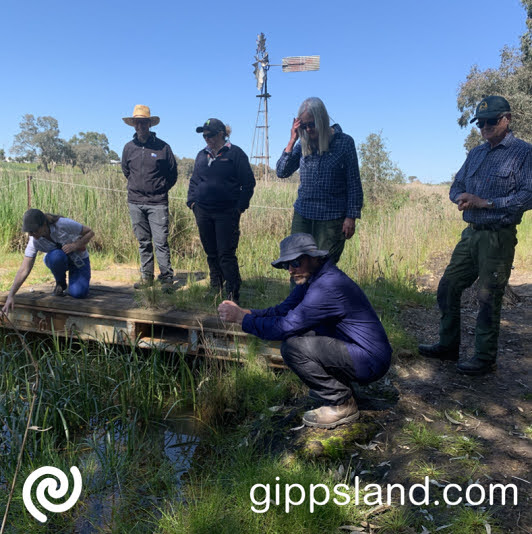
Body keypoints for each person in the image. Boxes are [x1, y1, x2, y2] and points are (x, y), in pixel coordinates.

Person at [218, 233, 392, 429]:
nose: (291, 270)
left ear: (314, 257)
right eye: (286, 265)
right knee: (302, 336)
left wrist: (242, 319)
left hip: (370, 360)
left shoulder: (327, 286)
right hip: (357, 351)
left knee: (293, 346)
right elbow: (283, 310)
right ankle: (341, 391)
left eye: (295, 262)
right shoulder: (314, 278)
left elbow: (284, 327)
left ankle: (342, 404)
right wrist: (246, 312)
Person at [419, 96, 532, 376]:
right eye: (480, 122)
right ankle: (447, 346)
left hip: (498, 236)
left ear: (506, 119)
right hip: (470, 235)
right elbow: (456, 186)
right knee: (448, 287)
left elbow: (528, 195)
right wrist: (462, 198)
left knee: (487, 297)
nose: (484, 126)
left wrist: (486, 202)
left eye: (490, 121)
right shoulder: (475, 154)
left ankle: (484, 358)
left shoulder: (524, 153)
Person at [276, 97, 363, 264]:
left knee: (323, 268)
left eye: (311, 124)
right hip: (303, 215)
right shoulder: (302, 144)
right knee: (298, 264)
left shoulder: (344, 143)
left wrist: (351, 217)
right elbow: (282, 171)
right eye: (304, 126)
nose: (308, 129)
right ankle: (298, 292)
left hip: (332, 218)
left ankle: (319, 292)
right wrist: (292, 139)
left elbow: (353, 182)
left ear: (322, 120)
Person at [187, 118, 255, 303]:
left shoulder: (235, 154)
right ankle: (215, 287)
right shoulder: (202, 155)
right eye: (204, 135)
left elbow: (248, 183)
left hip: (227, 213)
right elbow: (194, 181)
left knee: (226, 253)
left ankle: (232, 292)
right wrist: (192, 203)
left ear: (221, 134)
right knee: (211, 252)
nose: (206, 138)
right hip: (203, 211)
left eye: (209, 135)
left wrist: (240, 207)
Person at [121, 105, 178, 291]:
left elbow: (172, 174)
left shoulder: (163, 147)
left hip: (158, 203)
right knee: (143, 242)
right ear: (133, 125)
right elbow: (126, 171)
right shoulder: (129, 148)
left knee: (161, 241)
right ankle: (147, 278)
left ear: (149, 124)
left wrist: (159, 189)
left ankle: (167, 278)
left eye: (143, 122)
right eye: (137, 122)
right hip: (135, 202)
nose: (140, 126)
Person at [1, 209, 94, 315]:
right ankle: (60, 283)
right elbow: (24, 269)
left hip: (79, 259)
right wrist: (11, 296)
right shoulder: (34, 242)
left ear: (44, 224)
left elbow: (90, 232)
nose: (31, 234)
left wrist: (75, 245)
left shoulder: (62, 224)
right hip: (58, 259)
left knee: (79, 293)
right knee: (55, 256)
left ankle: (75, 279)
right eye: (29, 232)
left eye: (34, 230)